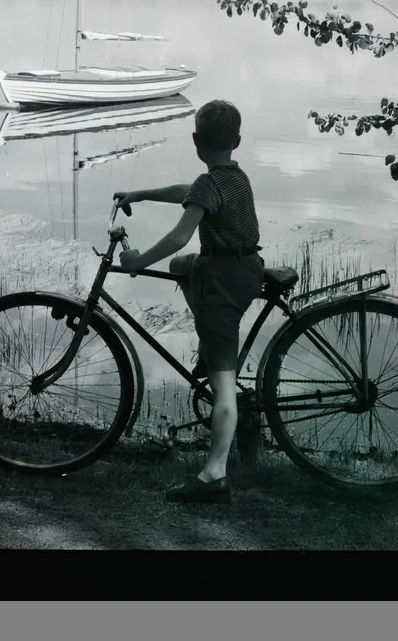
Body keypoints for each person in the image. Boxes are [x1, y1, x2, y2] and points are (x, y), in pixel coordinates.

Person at [114, 99, 264, 504]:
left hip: (224, 281)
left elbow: (181, 235)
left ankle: (214, 475)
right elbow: (189, 194)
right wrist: (141, 194)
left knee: (223, 387)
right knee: (182, 266)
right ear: (236, 141)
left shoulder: (209, 184)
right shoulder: (234, 177)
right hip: (245, 266)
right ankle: (207, 346)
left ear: (196, 141)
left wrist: (138, 262)